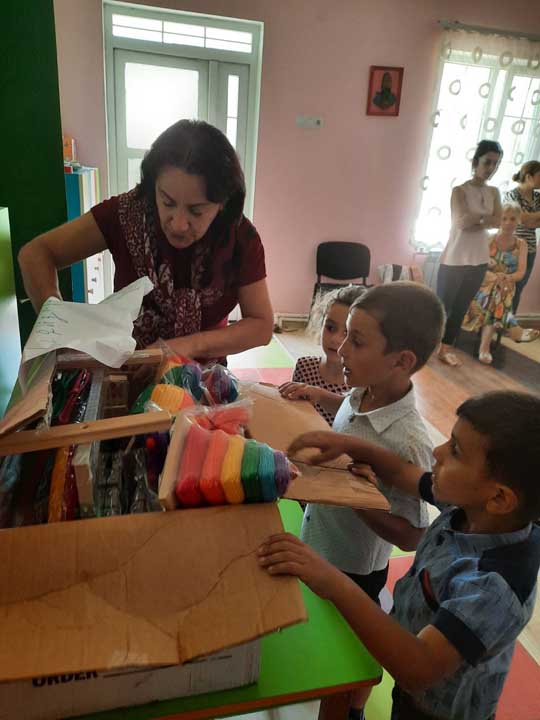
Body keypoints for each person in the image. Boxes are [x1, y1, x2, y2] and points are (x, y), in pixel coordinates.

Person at [259, 390, 540, 720]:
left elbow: (418, 669)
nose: (436, 452)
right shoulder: (473, 507)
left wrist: (332, 581)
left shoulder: (494, 587)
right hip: (412, 684)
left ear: (500, 499)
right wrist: (348, 445)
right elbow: (401, 472)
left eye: (455, 451)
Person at [280, 282, 445, 720]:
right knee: (322, 639)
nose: (341, 349)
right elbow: (354, 416)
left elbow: (412, 537)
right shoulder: (363, 389)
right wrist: (320, 396)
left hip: (354, 569)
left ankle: (350, 710)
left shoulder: (409, 441)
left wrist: (353, 497)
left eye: (356, 340)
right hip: (321, 541)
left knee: (350, 655)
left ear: (401, 361)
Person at [18, 120, 273, 362]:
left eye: (196, 211)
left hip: (203, 379)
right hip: (125, 370)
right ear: (153, 187)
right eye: (167, 202)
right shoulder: (126, 214)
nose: (178, 224)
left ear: (223, 203)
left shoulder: (239, 237)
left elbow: (261, 325)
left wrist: (187, 346)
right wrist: (58, 328)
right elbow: (36, 254)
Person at [437, 140, 503, 366]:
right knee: (442, 308)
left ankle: (445, 349)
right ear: (476, 162)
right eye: (487, 162)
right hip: (454, 259)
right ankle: (427, 344)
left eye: (495, 164)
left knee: (460, 308)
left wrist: (476, 219)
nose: (491, 168)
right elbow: (461, 222)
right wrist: (485, 220)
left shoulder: (494, 192)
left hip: (479, 260)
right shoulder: (460, 191)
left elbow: (498, 221)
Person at [462, 202, 539, 364]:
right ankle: (509, 330)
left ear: (519, 221)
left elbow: (521, 273)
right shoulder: (488, 239)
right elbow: (477, 267)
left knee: (499, 291)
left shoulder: (522, 244)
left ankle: (486, 346)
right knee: (498, 290)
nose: (508, 222)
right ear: (499, 220)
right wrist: (495, 277)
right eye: (504, 218)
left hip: (505, 286)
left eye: (512, 219)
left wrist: (507, 278)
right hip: (483, 283)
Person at [279, 285, 366, 425]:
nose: (335, 339)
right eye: (330, 328)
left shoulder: (362, 385)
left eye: (347, 332)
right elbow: (293, 412)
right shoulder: (304, 367)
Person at [504, 160, 540, 312]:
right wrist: (530, 218)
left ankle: (509, 322)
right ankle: (497, 322)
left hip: (530, 249)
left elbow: (529, 221)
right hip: (512, 248)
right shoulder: (512, 195)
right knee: (506, 286)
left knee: (519, 288)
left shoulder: (538, 196)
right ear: (528, 176)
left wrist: (528, 218)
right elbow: (521, 219)